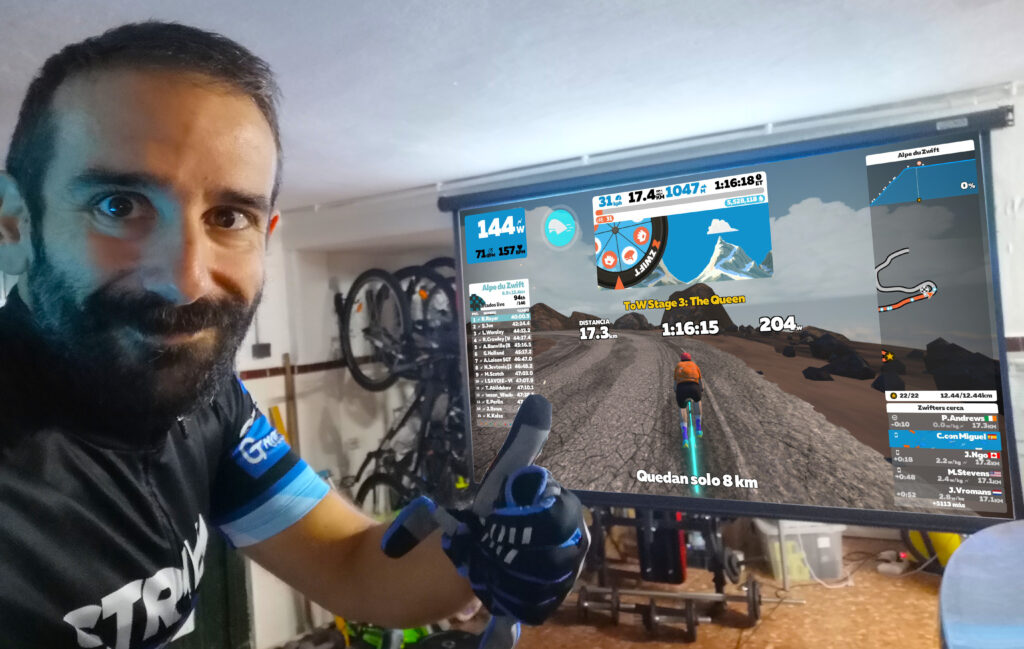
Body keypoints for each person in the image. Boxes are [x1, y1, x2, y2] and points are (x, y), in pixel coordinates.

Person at [0, 22, 588, 649]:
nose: (187, 281)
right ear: (13, 226)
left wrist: (484, 549)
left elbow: (351, 564)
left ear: (266, 235)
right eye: (118, 205)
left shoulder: (210, 403)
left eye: (229, 216)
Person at [674, 351, 703, 447]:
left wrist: (677, 392)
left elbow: (675, 386)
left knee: (682, 408)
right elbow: (701, 384)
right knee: (697, 401)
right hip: (694, 388)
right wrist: (700, 391)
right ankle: (698, 428)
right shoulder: (695, 365)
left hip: (682, 389)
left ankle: (685, 437)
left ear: (681, 359)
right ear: (690, 359)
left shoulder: (678, 366)